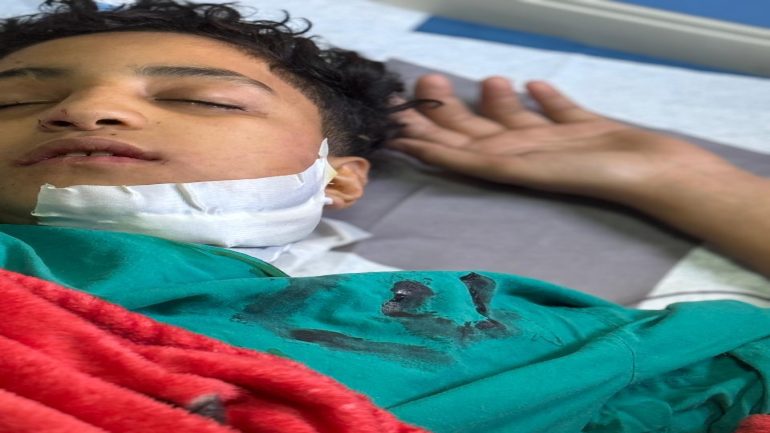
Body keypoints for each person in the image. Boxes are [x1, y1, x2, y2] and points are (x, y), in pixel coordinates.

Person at [0, 1, 769, 432]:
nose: (87, 110)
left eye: (203, 99)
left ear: (337, 179)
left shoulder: (490, 330)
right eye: (13, 100)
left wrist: (693, 182)